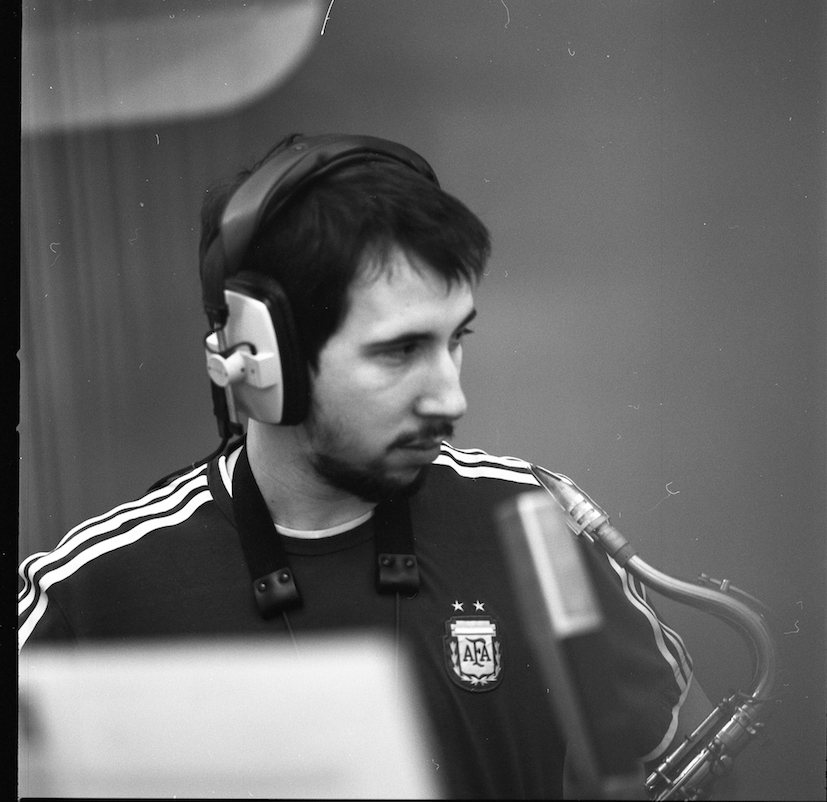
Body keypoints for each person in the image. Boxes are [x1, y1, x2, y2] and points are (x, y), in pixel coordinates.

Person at [18, 133, 712, 799]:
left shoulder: (533, 522)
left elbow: (699, 775)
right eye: (399, 351)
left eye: (455, 339)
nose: (452, 399)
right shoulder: (88, 596)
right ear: (263, 361)